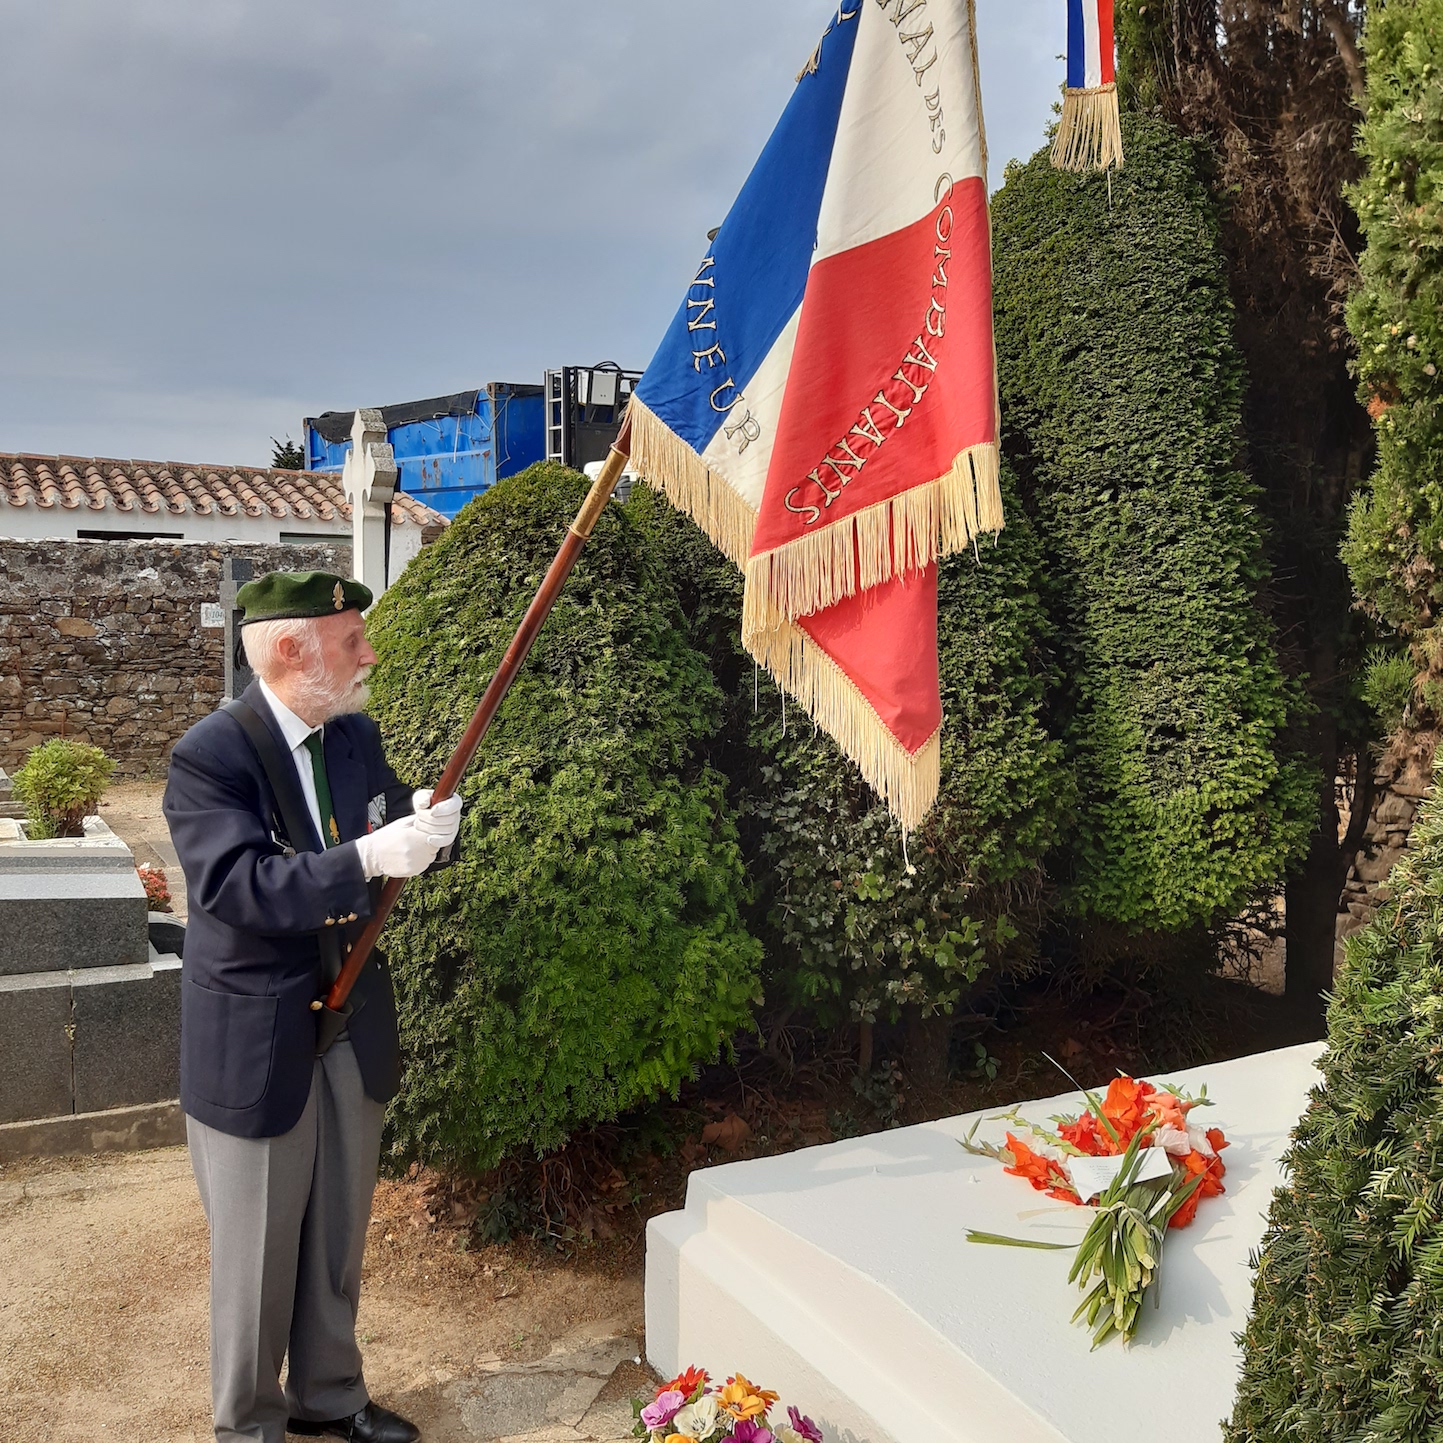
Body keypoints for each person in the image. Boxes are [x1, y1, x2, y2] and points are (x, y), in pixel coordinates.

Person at [164, 570, 462, 1443]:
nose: (369, 651)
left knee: (337, 1232)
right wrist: (373, 854)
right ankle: (249, 1425)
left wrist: (425, 825)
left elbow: (385, 830)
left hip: (349, 1022)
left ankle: (329, 1395)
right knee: (256, 1256)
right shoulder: (211, 755)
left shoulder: (350, 736)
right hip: (257, 1037)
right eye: (351, 638)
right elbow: (239, 887)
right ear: (292, 649)